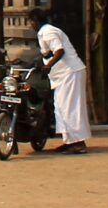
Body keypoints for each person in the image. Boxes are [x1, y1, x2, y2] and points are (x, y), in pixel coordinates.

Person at [35, 20, 92, 154]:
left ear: (34, 21)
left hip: (70, 73)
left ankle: (79, 144)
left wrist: (49, 66)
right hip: (63, 76)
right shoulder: (45, 32)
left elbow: (59, 51)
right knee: (60, 108)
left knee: (70, 108)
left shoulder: (48, 31)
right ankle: (69, 141)